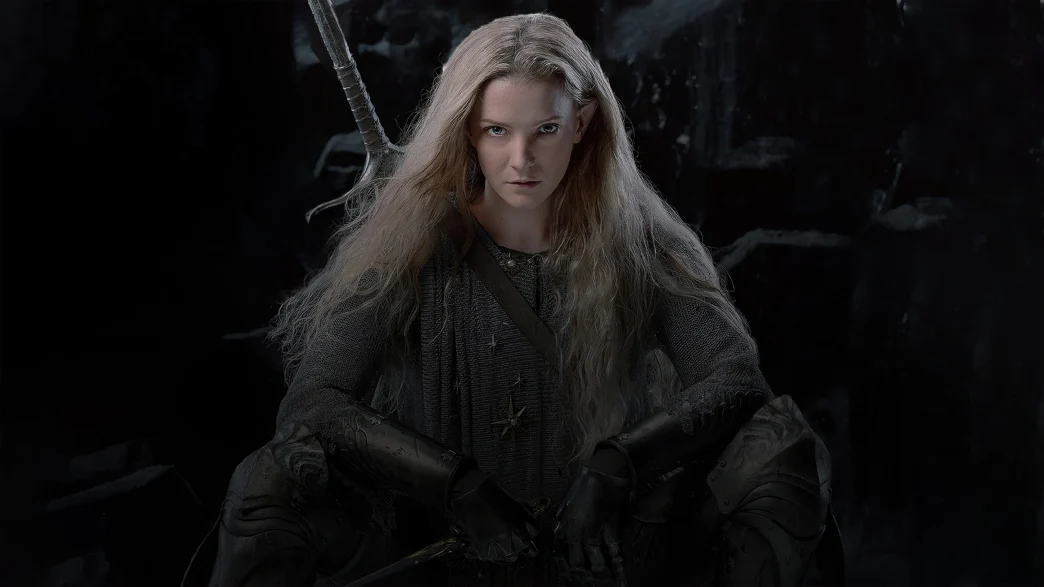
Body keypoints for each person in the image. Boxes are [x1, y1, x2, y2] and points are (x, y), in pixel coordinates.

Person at [208, 12, 831, 587]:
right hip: (447, 551)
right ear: (467, 130)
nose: (521, 159)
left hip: (602, 554)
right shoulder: (409, 248)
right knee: (269, 479)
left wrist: (618, 465)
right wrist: (454, 484)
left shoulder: (641, 246)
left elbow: (736, 378)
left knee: (780, 448)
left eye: (546, 130)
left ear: (582, 123)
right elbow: (314, 400)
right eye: (497, 131)